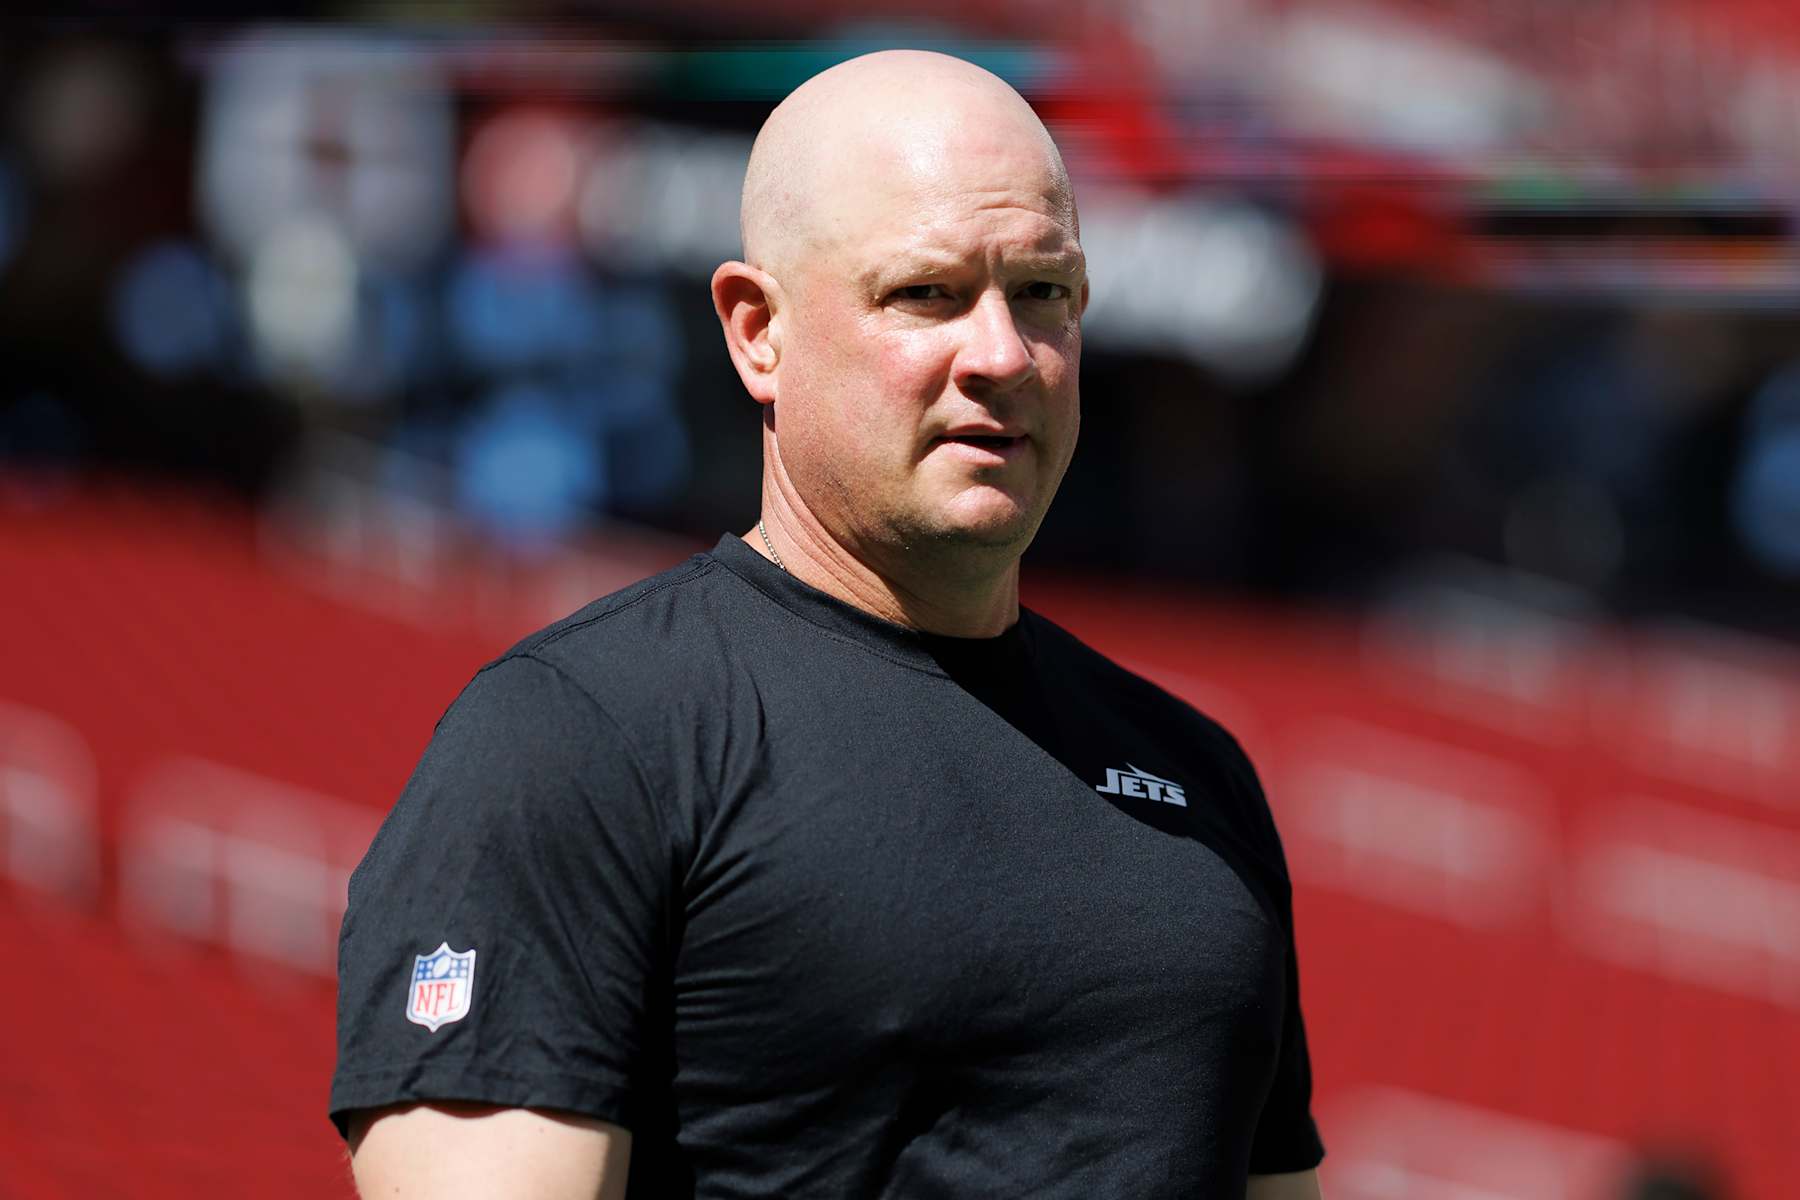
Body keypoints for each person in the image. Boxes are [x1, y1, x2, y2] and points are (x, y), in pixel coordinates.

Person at [332, 49, 1326, 1199]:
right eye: (927, 295)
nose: (1002, 355)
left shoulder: (1198, 778)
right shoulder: (581, 740)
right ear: (758, 330)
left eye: (1043, 292)